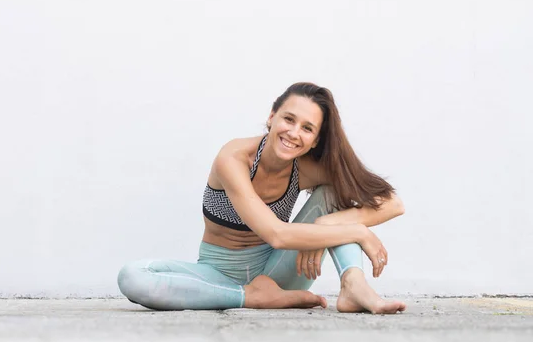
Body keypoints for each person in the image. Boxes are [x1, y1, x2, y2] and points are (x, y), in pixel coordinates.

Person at [118, 82, 407, 314]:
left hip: (278, 273)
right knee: (133, 277)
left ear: (316, 140)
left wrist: (327, 224)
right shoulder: (233, 158)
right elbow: (277, 234)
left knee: (332, 195)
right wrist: (354, 231)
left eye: (307, 128)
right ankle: (247, 297)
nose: (294, 133)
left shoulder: (307, 170)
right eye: (289, 119)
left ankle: (353, 285)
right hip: (216, 275)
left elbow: (392, 203)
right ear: (272, 116)